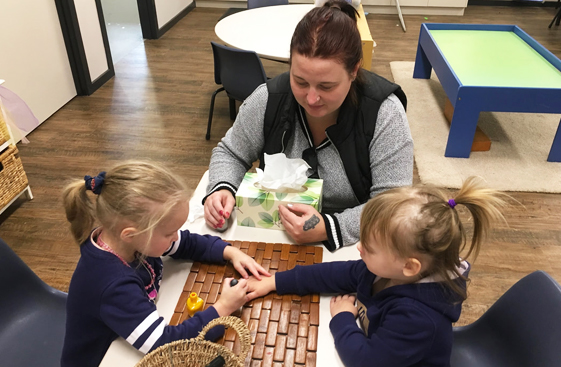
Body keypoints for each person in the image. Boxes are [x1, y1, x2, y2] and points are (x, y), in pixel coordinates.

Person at [203, 0, 413, 252]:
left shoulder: (385, 114)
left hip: (356, 247)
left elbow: (392, 204)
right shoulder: (269, 98)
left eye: (326, 86)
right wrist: (221, 188)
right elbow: (231, 152)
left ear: (354, 70)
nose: (311, 99)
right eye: (300, 81)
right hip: (273, 236)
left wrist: (331, 226)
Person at [245, 177, 509, 367]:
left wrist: (343, 319)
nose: (359, 248)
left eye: (369, 248)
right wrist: (277, 281)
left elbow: (365, 360)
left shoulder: (417, 318)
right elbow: (338, 273)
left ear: (409, 266)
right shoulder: (385, 270)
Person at [60, 161, 269, 367]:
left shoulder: (134, 240)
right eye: (169, 233)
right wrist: (223, 307)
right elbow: (168, 345)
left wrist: (230, 252)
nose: (175, 237)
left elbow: (186, 243)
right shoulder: (112, 284)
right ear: (130, 235)